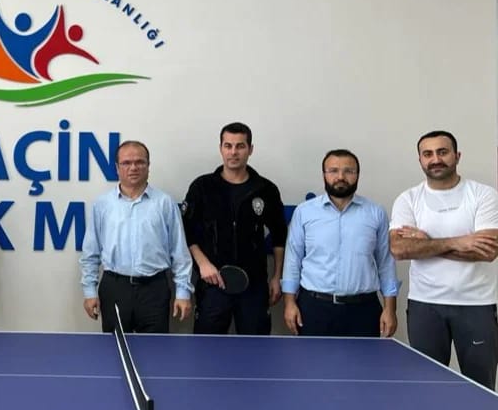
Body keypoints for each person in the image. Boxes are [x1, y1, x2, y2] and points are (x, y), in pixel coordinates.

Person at [390, 130, 498, 410]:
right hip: (426, 306)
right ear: (420, 159)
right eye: (428, 153)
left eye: (442, 151)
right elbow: (400, 250)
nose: (435, 158)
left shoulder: (483, 195)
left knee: (480, 389)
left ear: (457, 155)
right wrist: (461, 241)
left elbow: (488, 251)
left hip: (477, 306)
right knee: (426, 389)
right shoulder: (409, 198)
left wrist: (428, 243)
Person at [182, 122, 287, 335]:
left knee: (255, 348)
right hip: (212, 283)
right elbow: (186, 231)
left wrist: (277, 276)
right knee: (207, 348)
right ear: (220, 148)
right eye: (228, 146)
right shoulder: (202, 187)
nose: (233, 152)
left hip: (254, 285)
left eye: (240, 146)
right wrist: (203, 264)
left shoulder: (266, 189)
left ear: (250, 149)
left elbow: (279, 236)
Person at [282, 149, 399, 338]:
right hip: (313, 308)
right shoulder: (304, 212)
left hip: (363, 310)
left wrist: (390, 308)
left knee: (364, 359)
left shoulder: (375, 213)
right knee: (312, 358)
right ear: (324, 175)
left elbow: (386, 263)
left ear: (358, 175)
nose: (340, 177)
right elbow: (292, 260)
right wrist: (289, 303)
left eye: (348, 171)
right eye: (333, 171)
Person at [80, 140, 193, 333]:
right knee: (115, 348)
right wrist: (89, 291)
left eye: (140, 162)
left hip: (154, 290)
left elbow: (179, 252)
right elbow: (91, 253)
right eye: (126, 163)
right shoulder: (103, 204)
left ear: (148, 166)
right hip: (114, 288)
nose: (133, 168)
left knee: (155, 349)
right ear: (117, 168)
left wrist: (183, 293)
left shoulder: (164, 203)